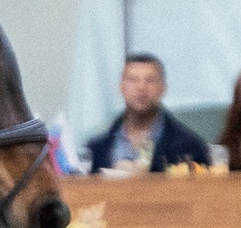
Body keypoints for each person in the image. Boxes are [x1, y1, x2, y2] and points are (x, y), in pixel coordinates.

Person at [83, 53, 211, 174]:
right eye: (133, 80)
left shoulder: (190, 148)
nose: (141, 87)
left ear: (163, 88)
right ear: (122, 87)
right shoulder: (96, 149)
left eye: (150, 80)